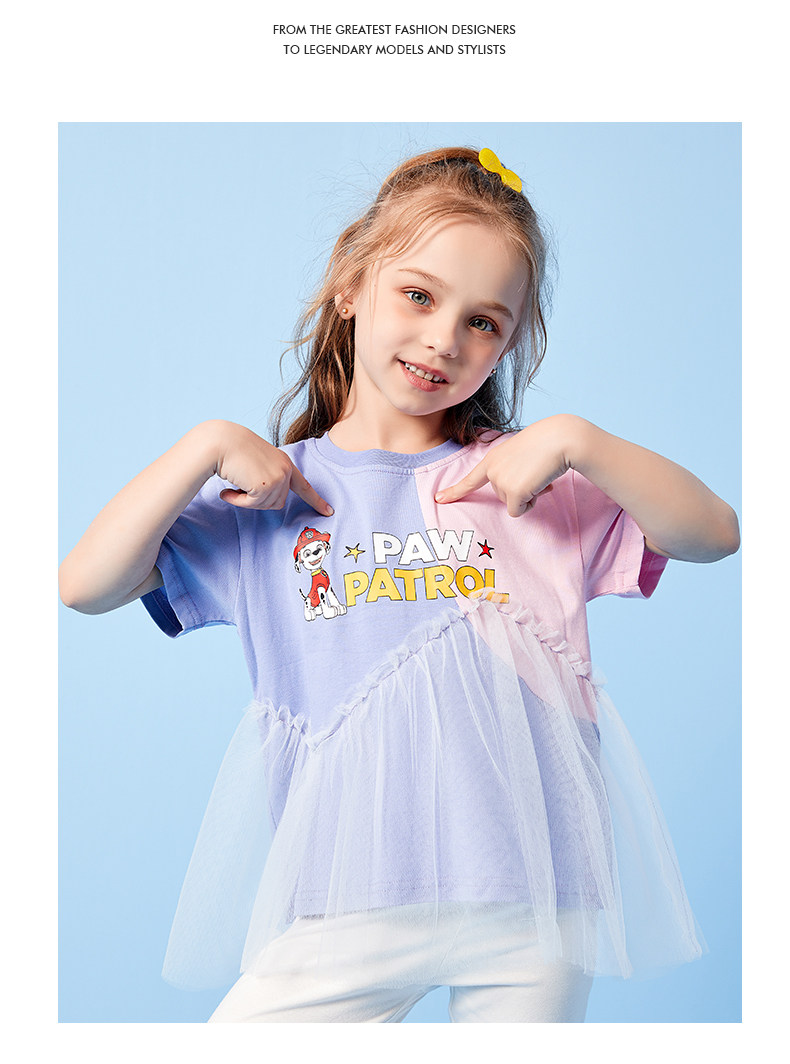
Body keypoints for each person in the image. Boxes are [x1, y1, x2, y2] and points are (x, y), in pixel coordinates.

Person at [59, 146, 740, 1023]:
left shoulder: (524, 480)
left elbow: (714, 534)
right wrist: (204, 446)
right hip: (351, 892)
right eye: (419, 295)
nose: (444, 339)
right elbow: (85, 585)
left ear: (510, 342)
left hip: (534, 898)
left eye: (483, 321)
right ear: (351, 285)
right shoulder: (274, 497)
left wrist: (579, 439)